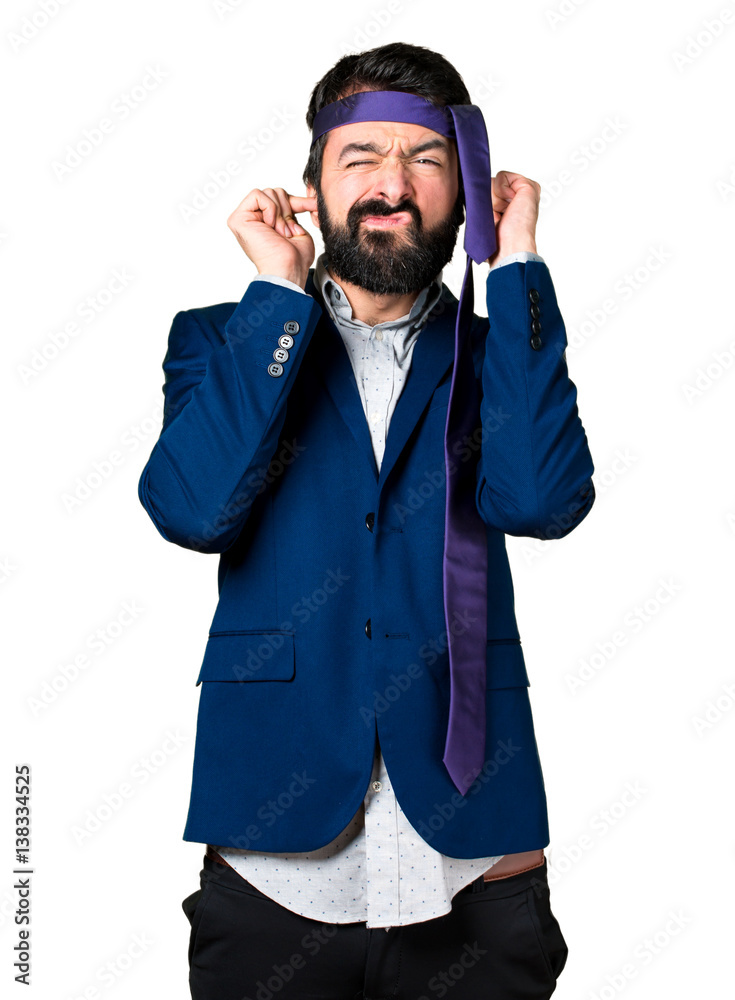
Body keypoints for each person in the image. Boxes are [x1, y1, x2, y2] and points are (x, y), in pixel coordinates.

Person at [138, 40, 595, 1000]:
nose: (392, 184)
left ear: (465, 192)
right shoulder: (226, 338)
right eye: (360, 159)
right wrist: (275, 292)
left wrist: (516, 265)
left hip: (475, 868)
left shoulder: (500, 348)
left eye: (426, 160)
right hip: (274, 866)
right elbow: (191, 510)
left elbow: (544, 502)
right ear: (311, 187)